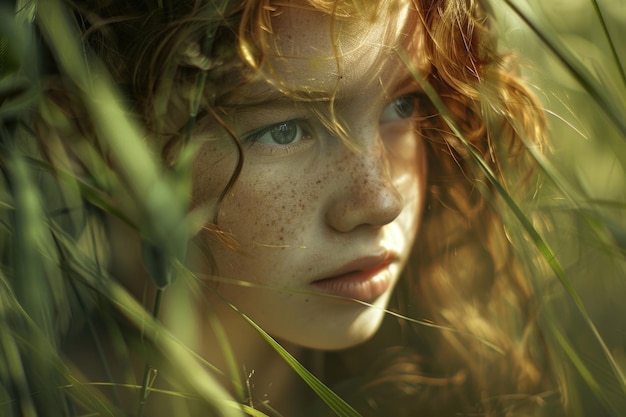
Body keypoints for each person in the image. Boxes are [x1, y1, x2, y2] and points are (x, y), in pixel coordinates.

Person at [1, 0, 564, 416]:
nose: (379, 201)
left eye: (402, 104)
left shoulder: (439, 386)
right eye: (285, 128)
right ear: (82, 140)